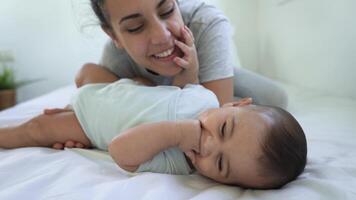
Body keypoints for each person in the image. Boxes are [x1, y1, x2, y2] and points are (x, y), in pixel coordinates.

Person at [0, 79, 307, 189]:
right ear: (237, 103)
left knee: (37, 128)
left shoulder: (178, 161)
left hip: (88, 123)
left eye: (221, 165)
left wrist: (177, 132)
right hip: (112, 90)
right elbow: (181, 87)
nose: (210, 144)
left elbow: (121, 151)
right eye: (225, 128)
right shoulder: (207, 100)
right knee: (85, 74)